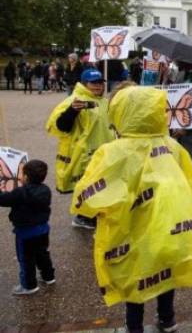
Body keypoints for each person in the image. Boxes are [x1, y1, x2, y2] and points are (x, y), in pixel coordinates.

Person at [71, 85, 192, 333]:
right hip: (168, 228)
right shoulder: (172, 146)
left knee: (134, 277)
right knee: (164, 273)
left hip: (129, 231)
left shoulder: (112, 152)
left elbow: (88, 197)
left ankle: (134, 327)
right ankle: (167, 319)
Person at [46, 68, 114, 229]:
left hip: (103, 150)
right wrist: (72, 111)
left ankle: (94, 212)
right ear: (84, 84)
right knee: (88, 185)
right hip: (85, 153)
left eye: (100, 83)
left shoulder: (104, 101)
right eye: (94, 83)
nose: (98, 86)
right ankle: (83, 216)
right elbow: (60, 127)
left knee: (101, 183)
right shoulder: (73, 101)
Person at [0, 160, 55, 296]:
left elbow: (3, 200)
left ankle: (29, 285)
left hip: (26, 233)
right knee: (43, 254)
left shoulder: (20, 192)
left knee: (26, 259)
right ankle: (48, 277)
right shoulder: (46, 190)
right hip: (43, 229)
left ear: (25, 177)